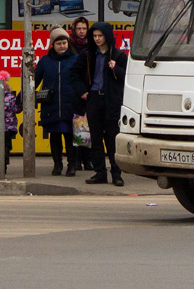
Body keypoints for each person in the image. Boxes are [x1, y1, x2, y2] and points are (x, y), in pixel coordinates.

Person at [70, 21, 127, 186]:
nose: (96, 39)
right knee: (95, 137)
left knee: (112, 138)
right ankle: (100, 172)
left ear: (107, 36)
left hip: (112, 100)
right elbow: (74, 73)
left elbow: (127, 77)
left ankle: (116, 173)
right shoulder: (88, 55)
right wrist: (83, 91)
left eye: (100, 36)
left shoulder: (118, 56)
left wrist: (116, 68)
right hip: (93, 98)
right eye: (94, 36)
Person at [35, 27, 79, 175]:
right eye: (59, 43)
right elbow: (33, 80)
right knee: (54, 136)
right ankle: (57, 164)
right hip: (51, 105)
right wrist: (21, 98)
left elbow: (83, 80)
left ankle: (72, 165)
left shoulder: (76, 58)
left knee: (70, 136)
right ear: (52, 45)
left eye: (64, 43)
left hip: (71, 104)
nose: (62, 46)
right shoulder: (45, 61)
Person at [67, 16, 93, 171]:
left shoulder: (91, 46)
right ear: (74, 30)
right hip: (75, 91)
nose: (82, 32)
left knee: (88, 126)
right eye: (79, 29)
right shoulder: (70, 46)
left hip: (89, 91)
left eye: (84, 29)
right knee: (77, 126)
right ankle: (76, 160)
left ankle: (87, 159)